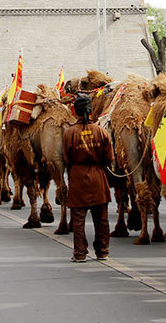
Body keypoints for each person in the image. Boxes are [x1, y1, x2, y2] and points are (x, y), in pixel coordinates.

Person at [62, 93, 113, 262]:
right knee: (102, 218)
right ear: (91, 111)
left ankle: (80, 253)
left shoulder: (69, 133)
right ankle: (103, 251)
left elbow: (66, 159)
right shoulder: (101, 131)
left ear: (75, 111)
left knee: (78, 219)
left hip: (77, 179)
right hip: (98, 177)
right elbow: (109, 159)